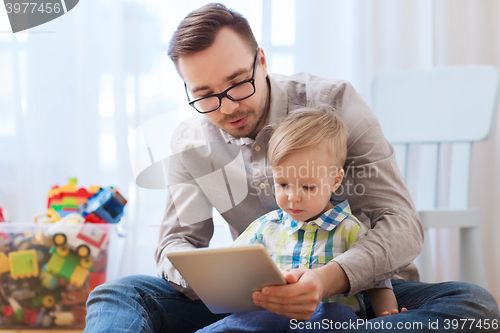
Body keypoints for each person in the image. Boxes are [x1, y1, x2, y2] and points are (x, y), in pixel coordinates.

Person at [84, 3, 500, 333]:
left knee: (474, 307)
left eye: (237, 83)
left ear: (261, 60)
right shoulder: (191, 141)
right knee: (118, 295)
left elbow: (402, 224)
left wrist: (326, 280)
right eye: (206, 95)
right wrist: (231, 284)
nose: (227, 106)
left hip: (355, 299)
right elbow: (178, 243)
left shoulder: (335, 104)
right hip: (250, 308)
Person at [196, 109, 407, 333]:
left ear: (335, 181)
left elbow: (377, 283)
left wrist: (387, 316)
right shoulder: (266, 227)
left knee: (335, 314)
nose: (293, 196)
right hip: (272, 317)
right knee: (246, 320)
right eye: (283, 184)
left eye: (307, 187)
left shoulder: (349, 229)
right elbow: (233, 264)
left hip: (326, 318)